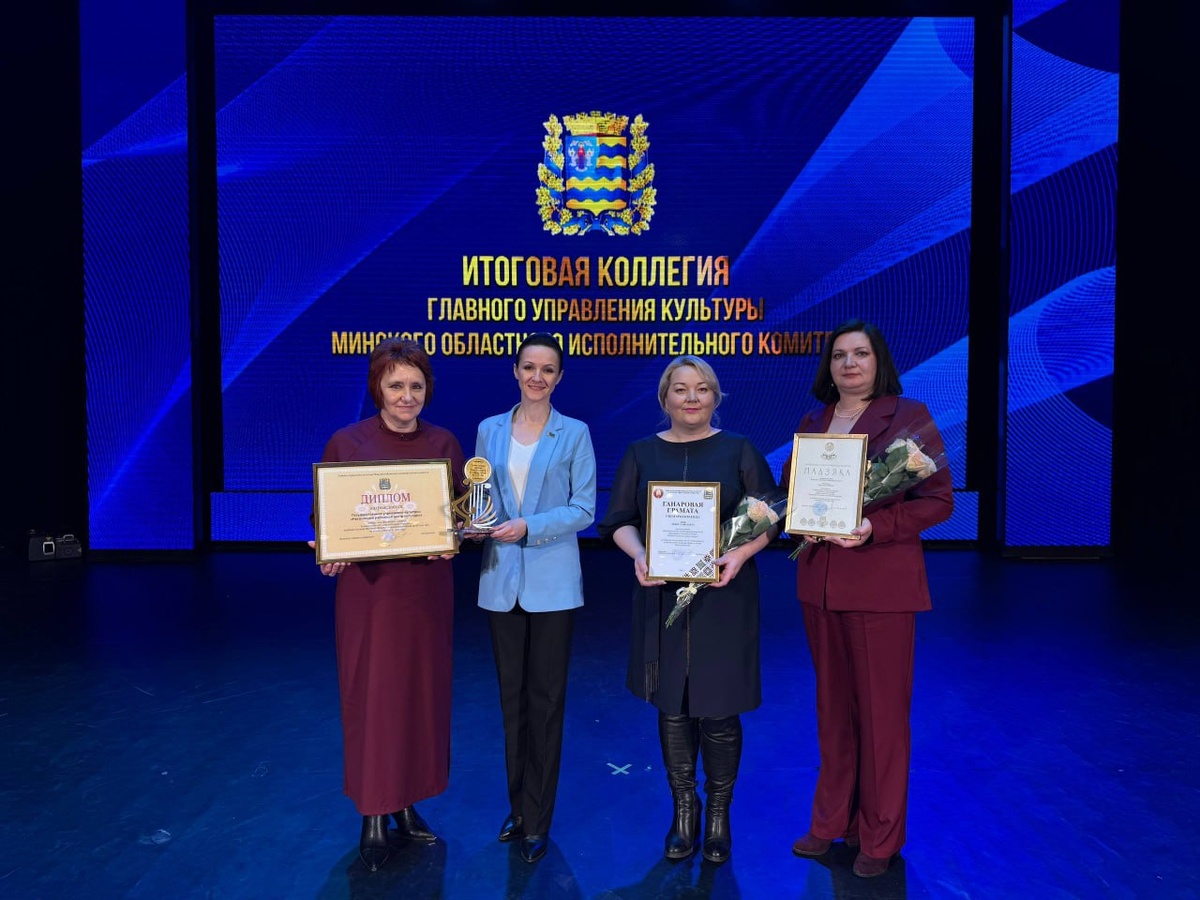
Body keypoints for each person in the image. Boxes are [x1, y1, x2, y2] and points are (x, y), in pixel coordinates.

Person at [784, 319, 953, 878]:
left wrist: (875, 527)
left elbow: (939, 501)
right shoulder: (814, 421)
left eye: (860, 354)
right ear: (828, 367)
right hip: (820, 586)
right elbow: (794, 489)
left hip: (881, 586)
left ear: (879, 361)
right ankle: (832, 820)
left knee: (882, 717)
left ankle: (880, 836)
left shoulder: (908, 416)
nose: (849, 364)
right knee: (833, 710)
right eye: (839, 355)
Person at [596, 355, 777, 865]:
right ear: (665, 399)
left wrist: (740, 554)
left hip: (724, 597)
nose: (692, 397)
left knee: (719, 710)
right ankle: (683, 810)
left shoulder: (740, 449)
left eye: (702, 388)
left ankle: (718, 814)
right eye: (680, 389)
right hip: (661, 596)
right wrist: (640, 554)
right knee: (672, 708)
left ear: (715, 397)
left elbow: (770, 516)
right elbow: (618, 521)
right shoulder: (641, 452)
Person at [310, 338, 465, 872]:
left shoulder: (444, 443)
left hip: (425, 594)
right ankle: (373, 812)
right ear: (377, 387)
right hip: (369, 596)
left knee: (419, 697)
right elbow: (325, 517)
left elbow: (459, 515)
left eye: (416, 386)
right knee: (373, 698)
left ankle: (407, 801)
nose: (406, 396)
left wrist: (455, 534)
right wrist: (327, 546)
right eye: (395, 385)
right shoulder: (346, 442)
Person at [472, 332, 597, 865]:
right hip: (500, 583)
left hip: (553, 586)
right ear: (515, 371)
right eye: (529, 367)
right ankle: (518, 808)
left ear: (559, 377)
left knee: (545, 704)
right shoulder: (489, 429)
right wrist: (474, 522)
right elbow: (480, 497)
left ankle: (538, 819)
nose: (537, 377)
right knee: (512, 703)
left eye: (548, 369)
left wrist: (529, 527)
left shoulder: (575, 433)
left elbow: (584, 509)